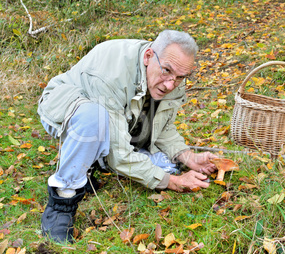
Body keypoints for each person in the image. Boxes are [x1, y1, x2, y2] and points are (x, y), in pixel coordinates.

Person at [37, 30, 218, 243]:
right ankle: (62, 201)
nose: (170, 84)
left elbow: (162, 128)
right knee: (94, 119)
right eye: (167, 71)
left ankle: (92, 162)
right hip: (64, 106)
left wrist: (187, 157)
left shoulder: (173, 71)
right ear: (148, 56)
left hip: (113, 114)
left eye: (180, 77)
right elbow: (119, 153)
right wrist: (170, 181)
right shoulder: (110, 72)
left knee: (116, 127)